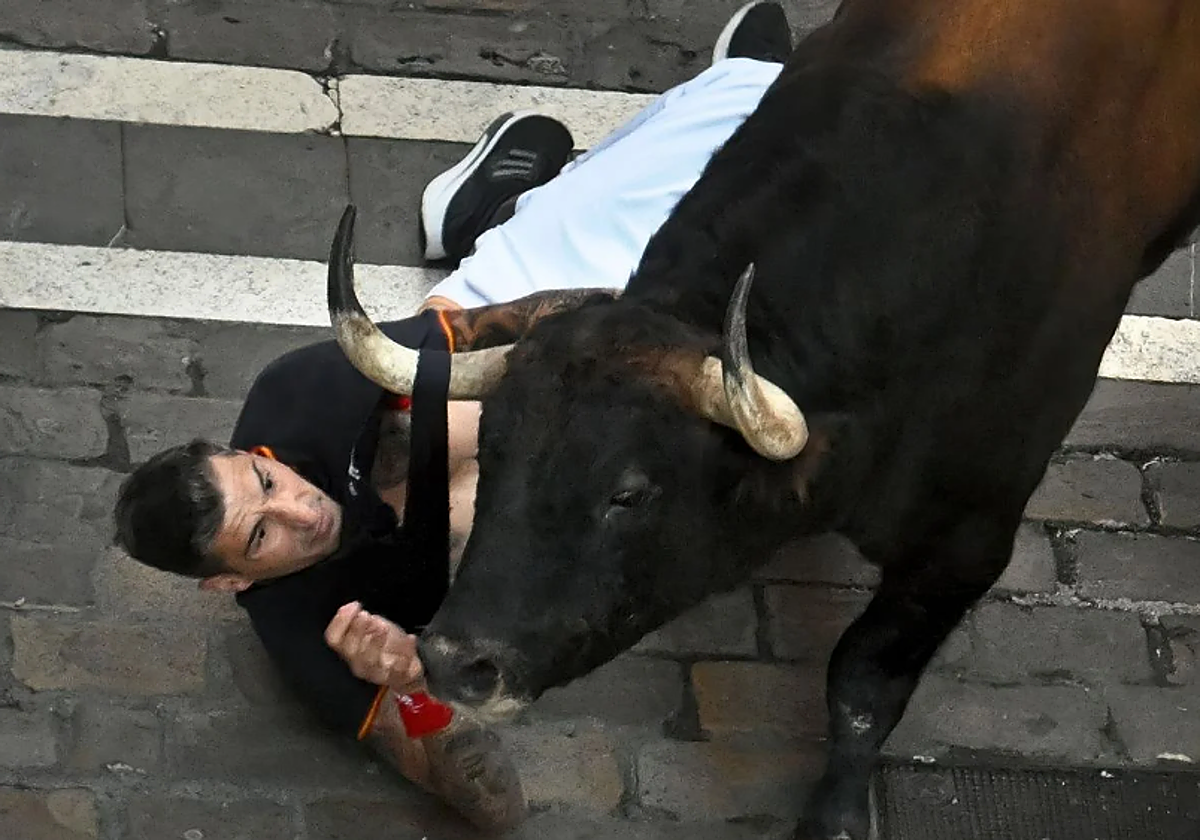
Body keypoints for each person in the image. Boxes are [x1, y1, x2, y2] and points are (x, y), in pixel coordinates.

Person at [111, 2, 794, 831]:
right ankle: (493, 198)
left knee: (756, 111)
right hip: (620, 462)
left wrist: (656, 334)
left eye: (265, 478)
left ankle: (564, 174)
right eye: (263, 536)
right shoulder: (310, 637)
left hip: (544, 322)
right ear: (231, 581)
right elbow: (497, 807)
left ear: (245, 451)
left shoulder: (297, 395)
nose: (299, 508)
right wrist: (414, 697)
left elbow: (511, 326)